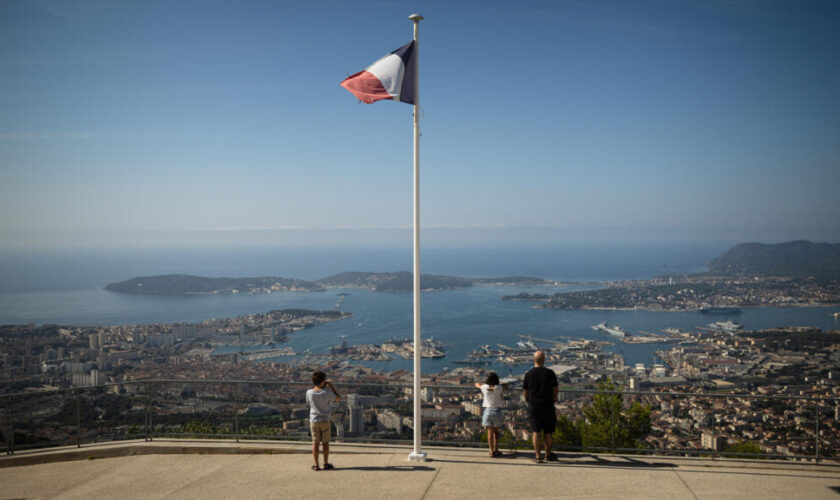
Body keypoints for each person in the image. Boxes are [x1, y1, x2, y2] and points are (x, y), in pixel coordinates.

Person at [522, 350, 558, 463]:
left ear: (534, 360)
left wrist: (528, 400)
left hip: (534, 405)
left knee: (536, 431)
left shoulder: (528, 374)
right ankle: (548, 454)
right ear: (544, 360)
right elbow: (555, 388)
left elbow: (525, 391)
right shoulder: (550, 373)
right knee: (548, 432)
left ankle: (537, 456)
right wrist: (554, 397)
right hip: (548, 405)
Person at [306, 370, 340, 471]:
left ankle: (316, 465)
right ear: (322, 382)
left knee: (315, 443)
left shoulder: (309, 392)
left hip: (314, 420)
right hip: (325, 420)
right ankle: (325, 464)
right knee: (325, 443)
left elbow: (308, 403)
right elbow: (337, 398)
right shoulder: (326, 393)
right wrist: (331, 386)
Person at [474, 372, 507, 457]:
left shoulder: (484, 387)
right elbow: (506, 385)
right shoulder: (499, 387)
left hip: (488, 411)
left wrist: (485, 384)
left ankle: (491, 451)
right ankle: (496, 450)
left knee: (489, 433)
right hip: (497, 411)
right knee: (496, 433)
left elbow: (476, 384)